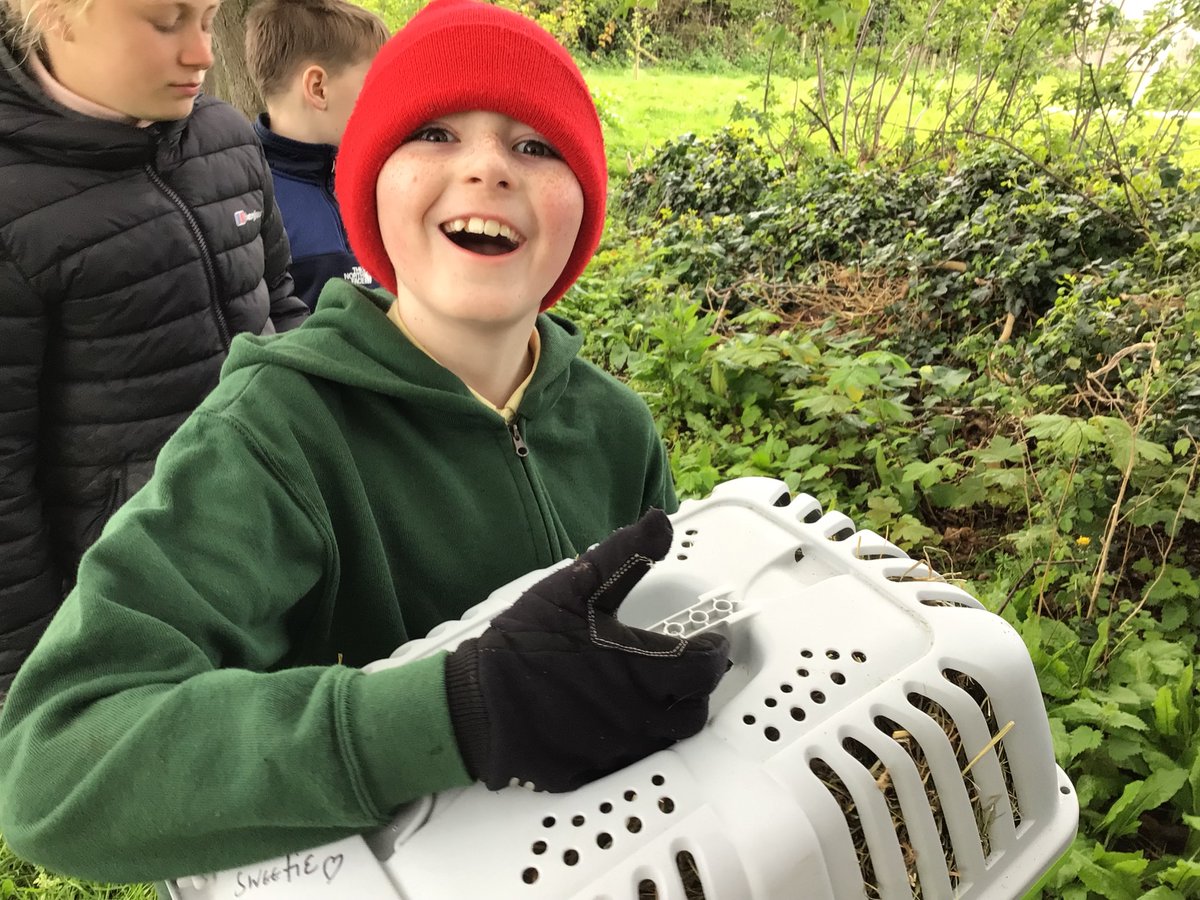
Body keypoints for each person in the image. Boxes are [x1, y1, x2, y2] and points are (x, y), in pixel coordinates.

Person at [0, 0, 730, 886]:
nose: (488, 169)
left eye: (536, 146)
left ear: (583, 207)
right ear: (368, 188)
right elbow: (52, 769)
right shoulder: (275, 434)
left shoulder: (616, 427)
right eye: (433, 134)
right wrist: (453, 712)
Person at [0, 0, 309, 693]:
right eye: (167, 23)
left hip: (279, 545)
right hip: (130, 609)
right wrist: (29, 685)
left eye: (208, 18)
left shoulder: (228, 138)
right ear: (55, 15)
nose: (201, 52)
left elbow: (282, 303)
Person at [246, 0, 387, 310]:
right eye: (374, 85)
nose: (383, 103)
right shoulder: (247, 203)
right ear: (319, 88)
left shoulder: (375, 182)